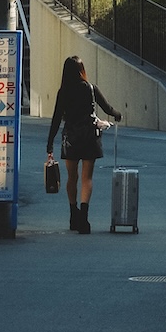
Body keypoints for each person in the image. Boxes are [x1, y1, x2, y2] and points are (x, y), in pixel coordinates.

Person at [46, 55, 121, 234]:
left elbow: (56, 119)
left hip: (71, 138)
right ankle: (84, 218)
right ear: (82, 70)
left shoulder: (63, 91)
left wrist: (49, 143)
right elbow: (107, 108)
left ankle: (73, 214)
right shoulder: (90, 88)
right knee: (87, 178)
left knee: (73, 177)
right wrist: (117, 115)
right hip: (89, 137)